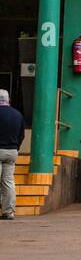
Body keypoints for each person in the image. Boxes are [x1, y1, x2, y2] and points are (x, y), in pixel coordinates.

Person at [0, 89, 23, 221]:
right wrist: (15, 147)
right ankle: (9, 212)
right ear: (8, 100)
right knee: (8, 181)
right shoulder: (17, 114)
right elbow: (21, 135)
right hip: (12, 152)